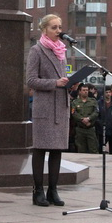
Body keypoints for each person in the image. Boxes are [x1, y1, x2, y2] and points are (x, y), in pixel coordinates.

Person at [26, 14, 69, 207]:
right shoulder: (37, 50)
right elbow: (31, 81)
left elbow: (63, 78)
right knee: (41, 149)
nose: (58, 31)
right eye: (54, 27)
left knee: (57, 150)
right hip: (44, 107)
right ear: (44, 29)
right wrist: (55, 83)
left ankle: (53, 190)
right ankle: (38, 191)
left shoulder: (61, 51)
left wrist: (70, 84)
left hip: (60, 106)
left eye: (59, 27)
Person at [71, 83, 99, 154]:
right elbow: (73, 113)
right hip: (80, 129)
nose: (85, 92)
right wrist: (82, 119)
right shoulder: (75, 102)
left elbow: (96, 112)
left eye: (87, 90)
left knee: (93, 149)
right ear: (80, 91)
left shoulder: (93, 101)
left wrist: (89, 118)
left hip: (90, 128)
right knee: (81, 149)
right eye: (83, 90)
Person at [97, 86, 112, 154]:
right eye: (106, 92)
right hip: (102, 129)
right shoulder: (99, 102)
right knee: (101, 148)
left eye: (109, 92)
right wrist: (100, 123)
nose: (108, 94)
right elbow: (97, 114)